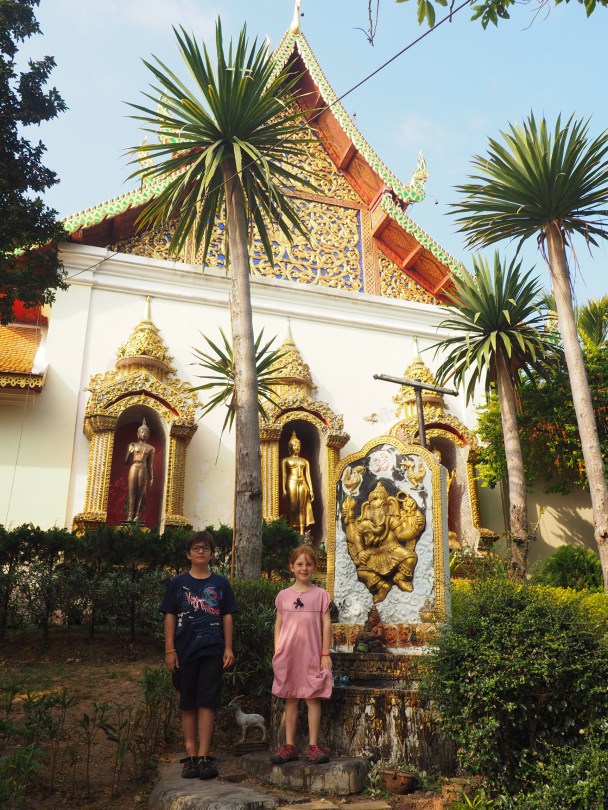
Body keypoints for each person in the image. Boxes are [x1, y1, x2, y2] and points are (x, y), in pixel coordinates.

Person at [160, 530, 238, 780]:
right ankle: (191, 756)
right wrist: (170, 649)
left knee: (207, 702)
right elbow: (170, 616)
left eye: (205, 548)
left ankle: (204, 756)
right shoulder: (178, 584)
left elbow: (227, 616)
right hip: (185, 652)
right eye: (196, 548)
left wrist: (228, 647)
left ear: (212, 553)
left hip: (213, 651)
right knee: (188, 703)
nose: (201, 551)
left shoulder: (220, 584)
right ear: (188, 554)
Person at [270, 545, 332, 765]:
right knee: (291, 697)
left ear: (314, 567)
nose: (304, 568)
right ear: (292, 567)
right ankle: (289, 745)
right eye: (299, 564)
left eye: (308, 564)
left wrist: (325, 653)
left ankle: (313, 745)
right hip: (289, 656)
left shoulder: (321, 595)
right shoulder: (283, 596)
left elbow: (327, 625)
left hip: (312, 655)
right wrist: (278, 651)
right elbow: (278, 625)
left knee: (313, 698)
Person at [282, 431, 315, 535]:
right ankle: (290, 530)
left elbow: (308, 476)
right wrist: (283, 488)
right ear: (290, 447)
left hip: (303, 483)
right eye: (295, 445)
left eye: (299, 446)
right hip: (291, 482)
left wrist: (311, 490)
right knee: (292, 507)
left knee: (302, 507)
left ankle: (301, 532)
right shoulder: (285, 460)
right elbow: (284, 475)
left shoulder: (305, 461)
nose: (297, 447)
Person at [125, 419, 155, 522]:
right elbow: (126, 461)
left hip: (143, 467)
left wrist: (151, 477)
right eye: (142, 432)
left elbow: (150, 464)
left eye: (146, 432)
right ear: (138, 434)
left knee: (141, 491)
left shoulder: (151, 448)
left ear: (148, 435)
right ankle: (130, 515)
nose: (144, 434)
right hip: (134, 466)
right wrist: (129, 452)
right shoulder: (132, 445)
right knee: (131, 491)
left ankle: (136, 515)